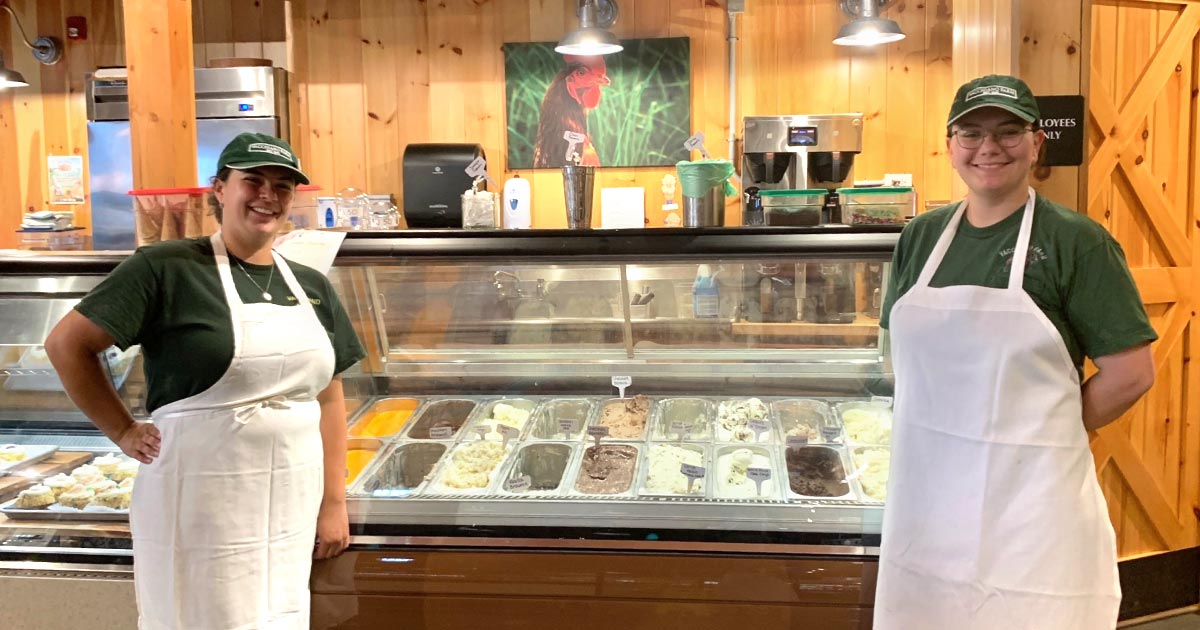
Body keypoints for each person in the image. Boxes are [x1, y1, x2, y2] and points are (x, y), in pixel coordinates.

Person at [44, 132, 367, 630]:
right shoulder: (166, 267)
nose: (268, 195)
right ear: (218, 188)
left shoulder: (310, 283)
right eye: (252, 180)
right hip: (200, 507)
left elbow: (328, 396)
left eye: (282, 186)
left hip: (289, 504)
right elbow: (66, 344)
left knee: (277, 615)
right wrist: (123, 430)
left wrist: (333, 503)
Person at [874, 75, 1157, 629]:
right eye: (971, 133)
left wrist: (1046, 433)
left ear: (1036, 142)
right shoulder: (922, 237)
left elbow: (1130, 373)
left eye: (1008, 132)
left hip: (1033, 502)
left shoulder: (1079, 242)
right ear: (951, 144)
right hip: (927, 492)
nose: (989, 148)